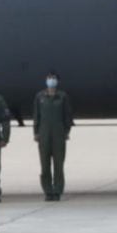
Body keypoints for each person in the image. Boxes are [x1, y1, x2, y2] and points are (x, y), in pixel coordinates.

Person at [33, 71, 74, 201]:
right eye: (49, 78)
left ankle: (57, 190)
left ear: (57, 81)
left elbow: (67, 115)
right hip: (44, 135)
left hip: (59, 135)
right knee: (45, 166)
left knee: (58, 165)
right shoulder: (40, 97)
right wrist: (36, 132)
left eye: (53, 78)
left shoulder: (62, 97)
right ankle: (47, 191)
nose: (51, 80)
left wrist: (66, 131)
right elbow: (36, 116)